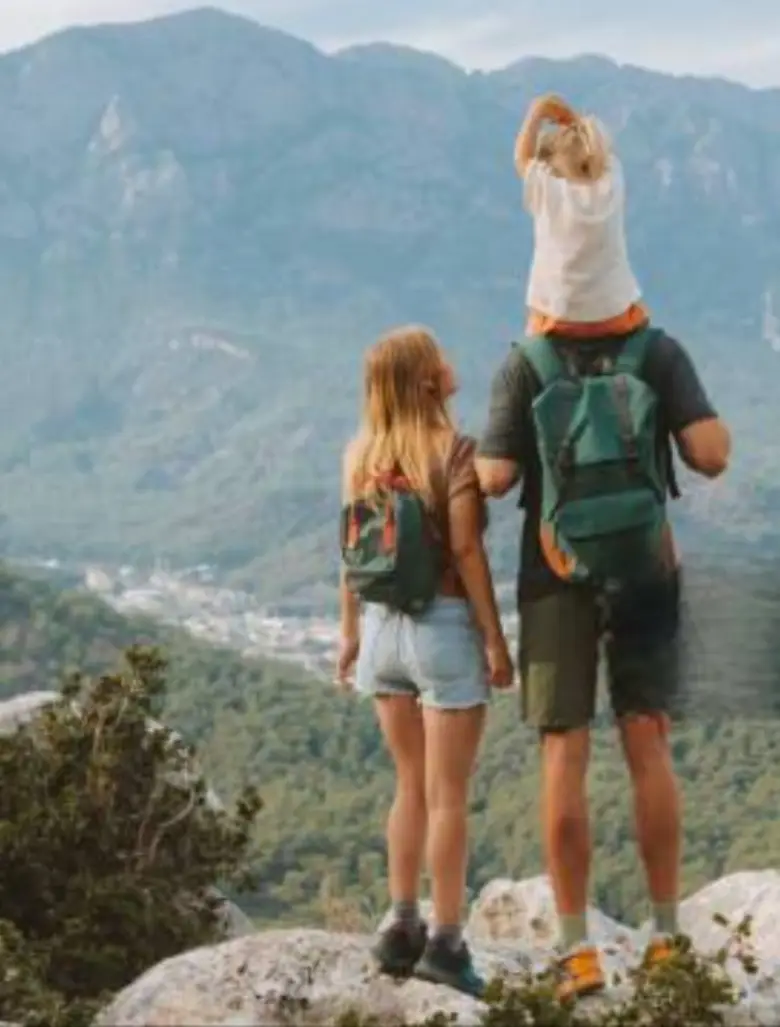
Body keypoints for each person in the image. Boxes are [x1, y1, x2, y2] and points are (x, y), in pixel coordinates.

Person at [474, 96, 732, 1002]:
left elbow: (500, 477)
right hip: (648, 568)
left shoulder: (525, 364)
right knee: (649, 742)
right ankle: (667, 937)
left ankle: (578, 947)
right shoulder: (656, 350)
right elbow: (709, 453)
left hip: (554, 575)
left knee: (563, 752)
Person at [337, 325, 513, 998]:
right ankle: (446, 940)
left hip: (381, 632)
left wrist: (350, 636)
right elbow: (467, 554)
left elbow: (349, 555)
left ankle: (399, 921)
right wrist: (494, 640)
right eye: (440, 356)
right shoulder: (454, 452)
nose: (450, 361)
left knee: (408, 784)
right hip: (440, 629)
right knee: (449, 796)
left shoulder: (360, 455)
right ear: (425, 380)